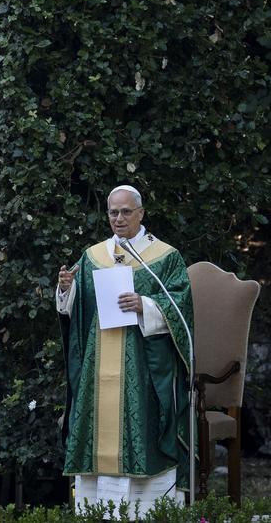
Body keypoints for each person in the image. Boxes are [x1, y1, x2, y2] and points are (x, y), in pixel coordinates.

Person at [56, 185, 193, 516]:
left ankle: (149, 511)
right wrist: (66, 289)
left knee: (143, 426)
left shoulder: (164, 256)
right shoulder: (92, 257)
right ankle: (95, 511)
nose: (119, 218)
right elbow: (75, 311)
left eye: (126, 212)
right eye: (113, 212)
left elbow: (181, 305)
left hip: (144, 368)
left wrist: (144, 305)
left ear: (141, 213)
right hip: (97, 367)